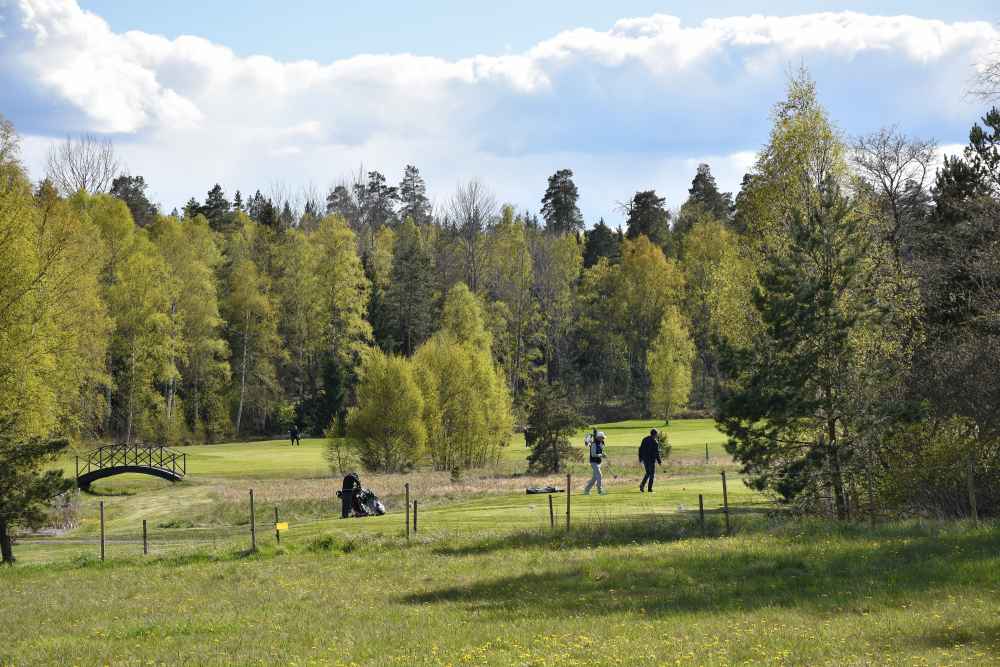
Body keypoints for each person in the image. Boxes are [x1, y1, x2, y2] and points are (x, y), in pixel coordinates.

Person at [584, 431, 609, 495]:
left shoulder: (600, 443)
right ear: (599, 437)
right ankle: (600, 491)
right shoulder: (594, 444)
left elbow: (599, 453)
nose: (603, 439)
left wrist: (603, 455)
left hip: (598, 462)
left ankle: (587, 490)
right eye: (602, 437)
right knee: (599, 475)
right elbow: (593, 454)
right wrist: (601, 455)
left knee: (594, 477)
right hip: (594, 462)